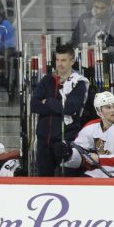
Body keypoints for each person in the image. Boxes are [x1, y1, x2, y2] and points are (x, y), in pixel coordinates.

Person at [30, 44, 89, 176]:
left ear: (72, 61)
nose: (60, 64)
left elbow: (70, 108)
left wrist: (48, 101)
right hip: (44, 140)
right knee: (44, 180)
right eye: (57, 60)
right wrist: (59, 106)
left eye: (63, 60)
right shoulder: (47, 80)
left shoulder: (79, 82)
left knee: (69, 180)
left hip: (67, 140)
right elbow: (34, 105)